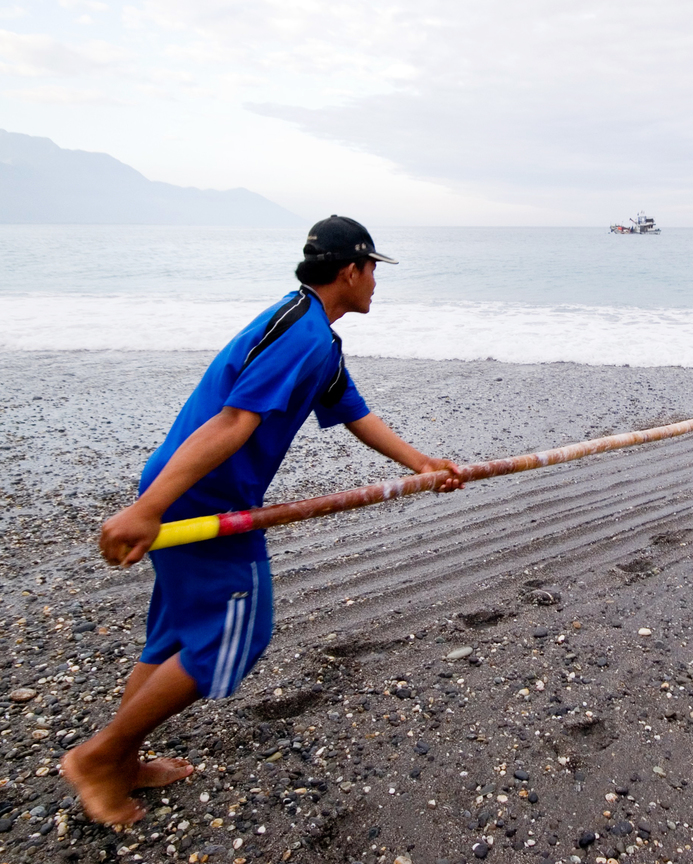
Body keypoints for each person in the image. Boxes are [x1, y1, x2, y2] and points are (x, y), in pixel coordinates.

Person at [62, 216, 464, 826]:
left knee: (175, 633)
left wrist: (423, 464)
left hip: (186, 490)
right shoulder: (301, 336)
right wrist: (146, 510)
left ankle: (123, 760)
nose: (378, 281)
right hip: (203, 502)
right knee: (237, 636)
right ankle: (100, 757)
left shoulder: (313, 335)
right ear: (350, 270)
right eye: (373, 267)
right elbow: (232, 423)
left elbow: (352, 410)